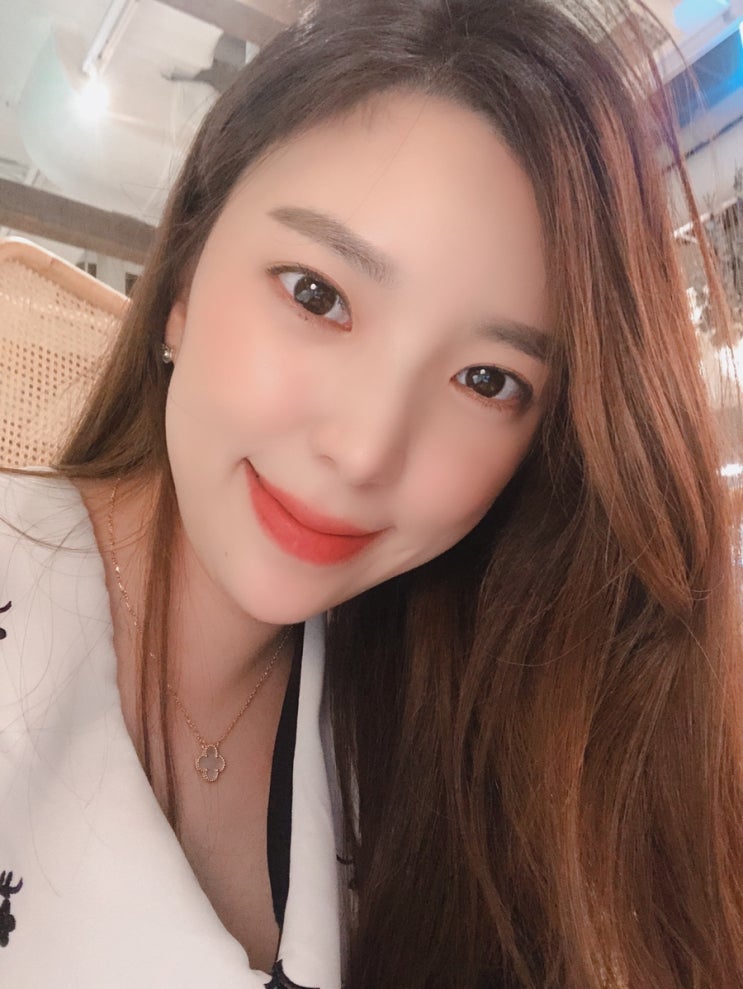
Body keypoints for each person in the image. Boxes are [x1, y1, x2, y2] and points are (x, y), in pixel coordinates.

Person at [1, 0, 742, 985]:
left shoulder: (468, 735)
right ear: (180, 280)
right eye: (316, 295)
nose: (362, 451)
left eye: (486, 379)